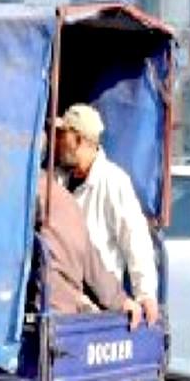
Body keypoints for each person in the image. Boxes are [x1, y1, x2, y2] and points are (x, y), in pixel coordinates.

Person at [53, 103, 159, 325]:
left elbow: (135, 239)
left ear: (79, 140)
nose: (58, 141)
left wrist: (145, 293)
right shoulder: (57, 179)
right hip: (64, 305)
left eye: (64, 135)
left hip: (100, 309)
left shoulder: (113, 182)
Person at [35, 174, 142, 327]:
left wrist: (128, 298)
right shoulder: (61, 197)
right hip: (60, 313)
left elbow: (135, 239)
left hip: (51, 312)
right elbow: (91, 260)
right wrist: (121, 300)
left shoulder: (51, 196)